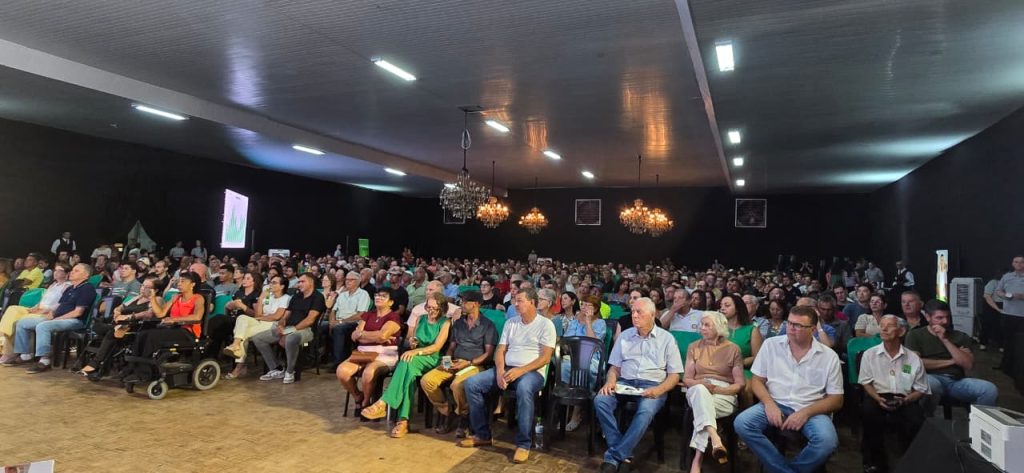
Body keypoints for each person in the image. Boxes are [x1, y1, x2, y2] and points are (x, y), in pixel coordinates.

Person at [734, 305, 843, 473]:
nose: (791, 329)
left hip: (811, 408)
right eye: (790, 323)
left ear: (813, 329)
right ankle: (782, 469)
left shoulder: (828, 356)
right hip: (775, 401)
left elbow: (836, 399)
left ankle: (788, 469)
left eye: (799, 325)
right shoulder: (771, 344)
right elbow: (757, 381)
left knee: (827, 441)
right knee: (742, 423)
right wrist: (769, 404)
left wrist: (806, 412)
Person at [460, 287, 556, 464]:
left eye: (520, 301)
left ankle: (523, 444)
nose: (516, 304)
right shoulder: (511, 323)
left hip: (532, 372)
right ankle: (482, 434)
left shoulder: (546, 324)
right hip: (507, 369)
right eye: (515, 300)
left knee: (524, 389)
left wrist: (520, 370)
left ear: (532, 302)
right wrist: (499, 371)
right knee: (472, 384)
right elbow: (500, 350)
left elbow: (545, 358)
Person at [594, 297, 683, 473]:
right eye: (632, 311)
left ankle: (614, 456)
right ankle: (622, 452)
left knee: (646, 410)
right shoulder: (625, 336)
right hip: (625, 382)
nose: (634, 315)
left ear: (652, 314)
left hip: (652, 385)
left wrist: (659, 390)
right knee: (600, 400)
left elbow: (674, 375)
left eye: (639, 312)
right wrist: (611, 381)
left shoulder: (667, 339)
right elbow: (615, 368)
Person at [360, 292, 452, 437]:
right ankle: (403, 421)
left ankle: (385, 404)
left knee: (406, 361)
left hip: (432, 358)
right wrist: (413, 343)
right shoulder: (421, 319)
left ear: (442, 308)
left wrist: (417, 352)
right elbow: (414, 339)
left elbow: (436, 347)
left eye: (435, 308)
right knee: (408, 377)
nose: (431, 310)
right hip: (415, 359)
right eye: (428, 307)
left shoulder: (445, 322)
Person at [858, 315, 928, 473]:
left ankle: (910, 460)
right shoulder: (870, 354)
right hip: (878, 395)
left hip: (904, 398)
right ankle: (875, 462)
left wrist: (906, 400)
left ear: (901, 331)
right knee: (869, 414)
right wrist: (877, 398)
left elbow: (921, 388)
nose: (883, 329)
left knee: (916, 420)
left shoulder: (912, 358)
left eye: (889, 326)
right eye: (882, 325)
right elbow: (865, 382)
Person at [906, 300, 998, 415]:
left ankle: (981, 426)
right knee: (931, 384)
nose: (945, 321)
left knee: (989, 389)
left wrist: (945, 340)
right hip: (930, 377)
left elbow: (968, 365)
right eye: (939, 318)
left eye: (947, 317)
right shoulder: (915, 335)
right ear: (928, 317)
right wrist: (953, 361)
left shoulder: (960, 336)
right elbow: (914, 364)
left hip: (956, 381)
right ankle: (924, 422)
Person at [683, 311, 745, 473]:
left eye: (707, 325)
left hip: (723, 393)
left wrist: (717, 389)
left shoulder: (733, 349)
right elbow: (687, 379)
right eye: (701, 324)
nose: (702, 328)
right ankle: (715, 437)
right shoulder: (693, 347)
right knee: (699, 391)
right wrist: (701, 384)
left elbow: (739, 384)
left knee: (703, 409)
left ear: (719, 327)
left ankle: (697, 459)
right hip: (697, 389)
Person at [5, 263, 96, 373]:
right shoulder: (70, 288)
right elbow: (59, 306)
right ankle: (25, 354)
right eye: (72, 270)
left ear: (86, 275)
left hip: (75, 321)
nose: (72, 272)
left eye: (76, 271)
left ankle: (44, 360)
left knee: (43, 326)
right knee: (22, 323)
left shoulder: (87, 288)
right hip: (59, 318)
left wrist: (57, 318)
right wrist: (51, 314)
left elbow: (77, 312)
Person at [124, 271, 204, 382]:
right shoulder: (176, 297)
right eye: (179, 281)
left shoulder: (198, 298)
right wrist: (152, 299)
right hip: (172, 329)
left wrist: (173, 319)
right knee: (142, 334)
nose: (179, 284)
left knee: (152, 336)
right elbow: (161, 314)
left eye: (183, 281)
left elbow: (197, 317)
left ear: (193, 284)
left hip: (187, 332)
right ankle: (132, 369)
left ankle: (144, 374)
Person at [78, 275, 163, 379]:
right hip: (120, 323)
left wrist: (129, 316)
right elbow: (120, 307)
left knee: (112, 333)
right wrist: (117, 312)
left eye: (147, 287)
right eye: (142, 286)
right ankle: (99, 363)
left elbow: (149, 314)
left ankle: (95, 363)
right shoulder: (138, 297)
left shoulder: (156, 299)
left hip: (135, 326)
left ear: (156, 290)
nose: (143, 289)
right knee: (101, 327)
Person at [336, 287, 403, 415]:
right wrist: (375, 336)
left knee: (369, 372)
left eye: (383, 296)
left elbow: (382, 336)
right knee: (342, 371)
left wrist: (364, 334)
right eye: (377, 295)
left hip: (384, 354)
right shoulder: (368, 315)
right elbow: (354, 336)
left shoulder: (394, 317)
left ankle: (366, 403)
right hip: (363, 352)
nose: (378, 297)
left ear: (391, 302)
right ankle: (357, 396)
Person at [250, 273, 325, 384]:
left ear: (311, 283)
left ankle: (290, 371)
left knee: (291, 338)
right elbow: (286, 316)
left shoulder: (318, 297)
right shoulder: (296, 297)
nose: (299, 284)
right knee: (258, 338)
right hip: (288, 328)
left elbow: (310, 320)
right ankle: (276, 368)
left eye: (302, 281)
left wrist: (289, 331)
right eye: (299, 282)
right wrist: (281, 325)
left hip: (307, 330)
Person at [0, 263, 71, 363]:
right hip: (39, 308)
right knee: (13, 309)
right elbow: (43, 300)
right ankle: (3, 333)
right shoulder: (52, 285)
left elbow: (61, 304)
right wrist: (34, 308)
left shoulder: (67, 286)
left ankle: (12, 353)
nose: (56, 273)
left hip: (49, 312)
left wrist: (45, 310)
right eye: (55, 270)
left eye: (60, 271)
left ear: (67, 274)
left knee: (19, 322)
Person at [560, 293, 608, 431]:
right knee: (564, 365)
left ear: (596, 309)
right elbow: (566, 342)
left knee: (581, 369)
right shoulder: (574, 322)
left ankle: (576, 413)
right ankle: (564, 410)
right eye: (583, 304)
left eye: (588, 305)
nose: (584, 307)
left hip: (592, 359)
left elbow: (594, 345)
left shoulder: (600, 323)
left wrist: (587, 321)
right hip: (572, 356)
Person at [325, 271, 372, 367]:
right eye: (347, 279)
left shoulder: (363, 294)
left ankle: (338, 362)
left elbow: (361, 315)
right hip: (337, 321)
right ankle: (316, 358)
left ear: (358, 281)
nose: (348, 282)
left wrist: (340, 321)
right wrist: (331, 322)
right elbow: (333, 311)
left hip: (354, 323)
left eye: (351, 280)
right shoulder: (342, 295)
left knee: (339, 328)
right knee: (320, 326)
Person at [996, 256, 1024, 372]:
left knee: (1020, 343)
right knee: (1007, 341)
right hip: (1008, 315)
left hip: (1022, 316)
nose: (1019, 264)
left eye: (1022, 262)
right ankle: (1005, 366)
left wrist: (1020, 296)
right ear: (1012, 264)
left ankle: (1019, 368)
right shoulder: (1006, 277)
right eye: (1016, 262)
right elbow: (998, 291)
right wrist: (1004, 295)